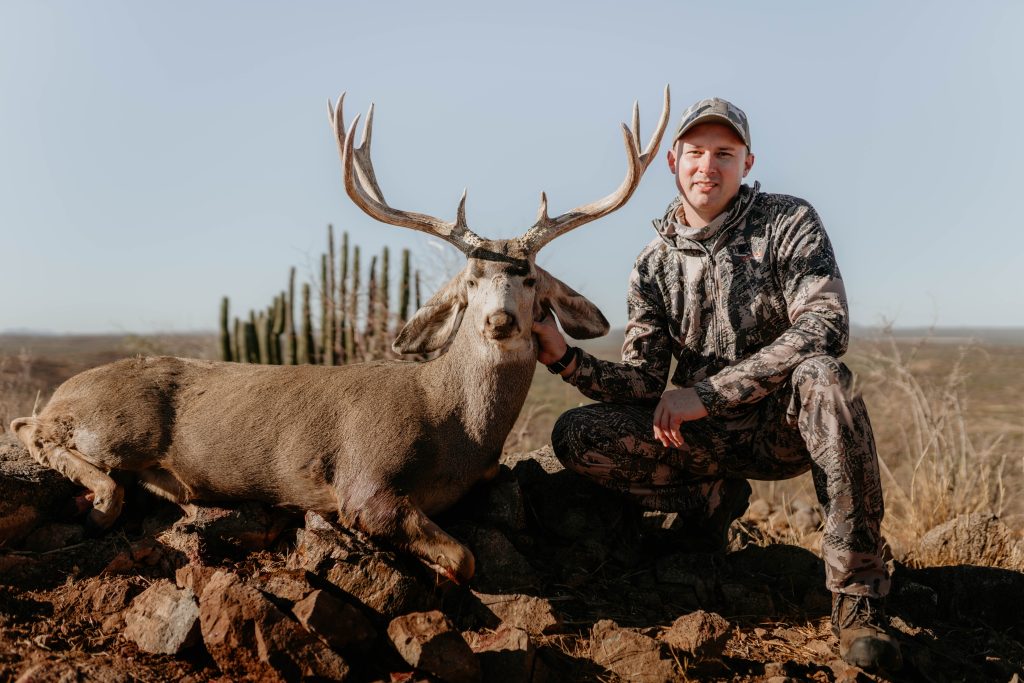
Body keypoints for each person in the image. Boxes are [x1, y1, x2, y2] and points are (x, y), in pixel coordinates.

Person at [532, 97, 902, 672]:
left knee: (827, 378)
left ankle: (857, 595)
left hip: (784, 430)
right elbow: (645, 379)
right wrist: (567, 360)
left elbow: (824, 326)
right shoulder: (652, 265)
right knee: (576, 435)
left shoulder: (788, 221)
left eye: (724, 154)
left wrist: (704, 396)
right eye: (697, 153)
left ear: (747, 162)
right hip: (701, 441)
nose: (709, 166)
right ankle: (708, 505)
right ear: (674, 162)